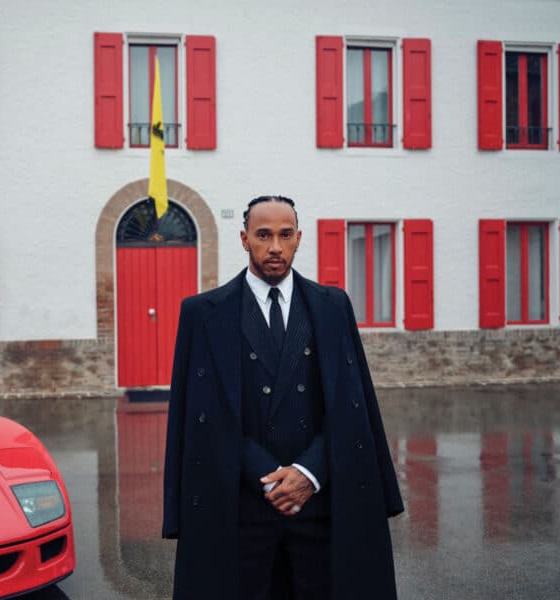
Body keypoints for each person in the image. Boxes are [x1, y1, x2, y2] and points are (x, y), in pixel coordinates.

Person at [162, 195, 403, 600]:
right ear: (244, 239)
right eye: (263, 235)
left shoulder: (332, 307)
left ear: (298, 239)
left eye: (285, 235)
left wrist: (309, 472)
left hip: (320, 504)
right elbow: (196, 417)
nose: (275, 246)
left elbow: (352, 404)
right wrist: (267, 473)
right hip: (239, 508)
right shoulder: (203, 314)